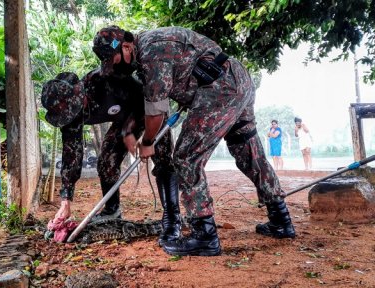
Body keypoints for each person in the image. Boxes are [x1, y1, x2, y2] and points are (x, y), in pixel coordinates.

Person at [92, 26, 296, 256]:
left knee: (186, 158)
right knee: (248, 151)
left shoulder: (150, 52)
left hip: (219, 90)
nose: (117, 67)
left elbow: (156, 112)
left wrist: (147, 141)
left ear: (127, 46)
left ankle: (204, 235)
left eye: (116, 60)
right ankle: (281, 219)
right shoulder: (153, 43)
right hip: (237, 81)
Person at [41, 69, 182, 244]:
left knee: (163, 161)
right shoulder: (71, 117)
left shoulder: (103, 79)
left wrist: (133, 133)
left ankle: (173, 218)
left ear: (79, 93)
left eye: (77, 107)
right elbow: (71, 156)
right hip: (123, 121)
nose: (76, 113)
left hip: (149, 111)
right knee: (106, 162)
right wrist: (65, 200)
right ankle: (112, 210)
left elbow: (147, 98)